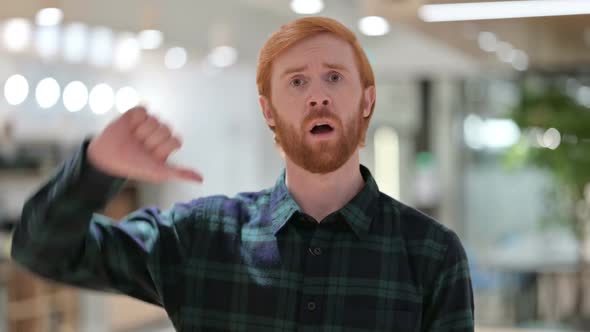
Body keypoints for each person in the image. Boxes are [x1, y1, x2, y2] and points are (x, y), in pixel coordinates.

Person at [11, 16, 474, 331]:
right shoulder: (199, 238)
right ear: (268, 111)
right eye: (297, 81)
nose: (318, 96)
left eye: (334, 77)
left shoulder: (431, 254)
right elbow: (42, 251)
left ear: (367, 100)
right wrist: (94, 168)